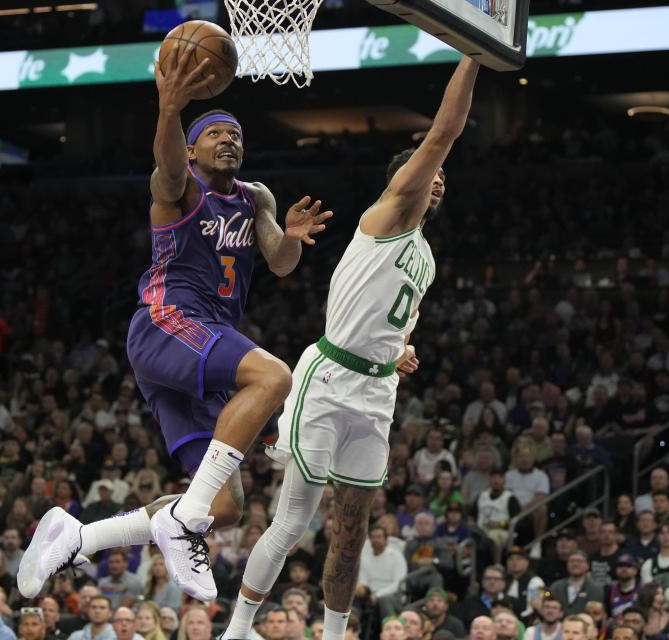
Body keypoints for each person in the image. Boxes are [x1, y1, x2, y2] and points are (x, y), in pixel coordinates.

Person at [19, 41, 332, 604]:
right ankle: (181, 525)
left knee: (225, 507)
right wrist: (169, 108)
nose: (229, 139)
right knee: (273, 378)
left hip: (199, 349)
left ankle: (79, 537)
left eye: (236, 133)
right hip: (168, 321)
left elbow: (281, 265)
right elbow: (165, 164)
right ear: (192, 149)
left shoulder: (255, 197)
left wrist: (290, 237)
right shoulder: (179, 187)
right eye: (215, 133)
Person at [220, 55, 481, 640]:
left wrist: (404, 350)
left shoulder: (428, 257)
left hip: (377, 388)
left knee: (353, 528)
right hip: (331, 376)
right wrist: (476, 56)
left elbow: (403, 320)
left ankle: (335, 635)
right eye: (429, 173)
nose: (438, 179)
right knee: (293, 521)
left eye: (443, 179)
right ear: (407, 179)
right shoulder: (387, 214)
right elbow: (443, 133)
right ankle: (236, 631)